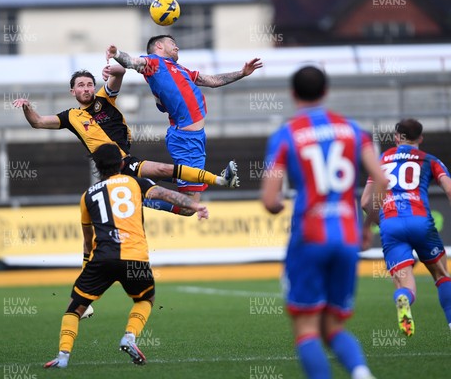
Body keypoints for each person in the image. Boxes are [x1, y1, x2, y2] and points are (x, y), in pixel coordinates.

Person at [261, 66, 387, 379]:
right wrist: (368, 227)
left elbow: (269, 199)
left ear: (292, 94)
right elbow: (382, 180)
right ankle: (360, 372)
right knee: (334, 326)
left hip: (310, 236)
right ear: (326, 91)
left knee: (306, 329)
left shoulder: (286, 135)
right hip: (346, 235)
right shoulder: (353, 130)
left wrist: (277, 206)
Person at [44, 143, 209, 369]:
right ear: (122, 164)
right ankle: (129, 337)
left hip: (102, 258)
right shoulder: (134, 182)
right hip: (135, 257)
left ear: (97, 168)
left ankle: (63, 357)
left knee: (75, 308)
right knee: (144, 299)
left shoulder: (87, 196)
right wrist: (195, 206)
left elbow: (87, 241)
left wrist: (86, 267)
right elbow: (165, 194)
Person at [13, 66, 238, 216]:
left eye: (89, 84)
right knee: (162, 170)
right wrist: (27, 106)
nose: (86, 88)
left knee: (181, 199)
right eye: (80, 85)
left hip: (126, 160)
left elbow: (120, 72)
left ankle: (194, 199)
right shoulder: (70, 116)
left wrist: (113, 66)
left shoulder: (105, 98)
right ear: (73, 91)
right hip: (111, 168)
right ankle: (220, 181)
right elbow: (38, 122)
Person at [105, 35, 261, 204]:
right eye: (172, 43)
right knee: (190, 205)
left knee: (190, 201)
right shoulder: (153, 63)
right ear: (159, 46)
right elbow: (132, 62)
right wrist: (117, 54)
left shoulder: (179, 69)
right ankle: (136, 200)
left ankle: (139, 178)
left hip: (195, 137)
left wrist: (242, 73)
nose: (177, 47)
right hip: (186, 139)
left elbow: (213, 81)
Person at [361, 118, 451, 337]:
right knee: (441, 274)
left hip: (391, 224)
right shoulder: (430, 160)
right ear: (420, 138)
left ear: (396, 137)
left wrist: (382, 222)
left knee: (405, 284)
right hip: (421, 222)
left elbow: (365, 202)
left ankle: (404, 298)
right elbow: (449, 190)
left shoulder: (382, 159)